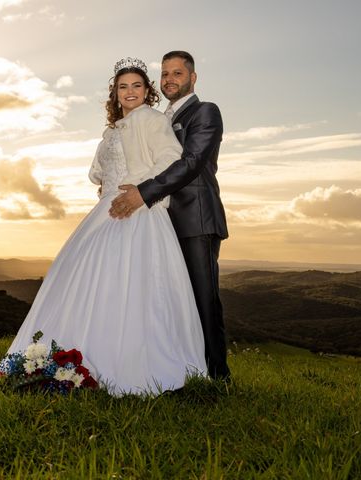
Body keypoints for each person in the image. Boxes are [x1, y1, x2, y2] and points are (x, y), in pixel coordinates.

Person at [2, 57, 207, 396]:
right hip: (105, 211)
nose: (130, 91)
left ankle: (128, 360)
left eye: (137, 85)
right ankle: (75, 353)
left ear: (148, 92)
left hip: (139, 210)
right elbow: (99, 171)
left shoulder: (153, 121)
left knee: (130, 283)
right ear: (114, 93)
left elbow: (171, 160)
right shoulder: (112, 130)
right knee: (81, 277)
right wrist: (107, 186)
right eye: (123, 86)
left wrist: (139, 187)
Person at [109, 51, 231, 380]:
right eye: (164, 74)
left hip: (195, 218)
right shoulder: (155, 117)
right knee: (173, 300)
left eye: (177, 73)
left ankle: (218, 376)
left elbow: (190, 163)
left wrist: (142, 192)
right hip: (161, 222)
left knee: (203, 298)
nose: (169, 80)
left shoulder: (205, 112)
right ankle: (182, 367)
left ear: (193, 77)